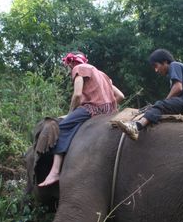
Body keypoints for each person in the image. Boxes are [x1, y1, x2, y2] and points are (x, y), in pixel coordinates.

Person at [38, 52, 124, 186]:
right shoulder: (101, 74)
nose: (69, 69)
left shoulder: (78, 69)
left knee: (63, 127)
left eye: (68, 65)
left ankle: (54, 172)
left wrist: (71, 113)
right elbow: (120, 96)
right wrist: (107, 105)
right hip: (110, 111)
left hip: (92, 109)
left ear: (71, 63)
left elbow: (77, 95)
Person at [114, 48, 183, 140]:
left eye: (156, 66)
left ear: (165, 61)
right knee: (159, 106)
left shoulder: (174, 65)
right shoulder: (175, 71)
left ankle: (137, 126)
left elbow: (178, 88)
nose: (156, 70)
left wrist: (164, 102)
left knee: (161, 104)